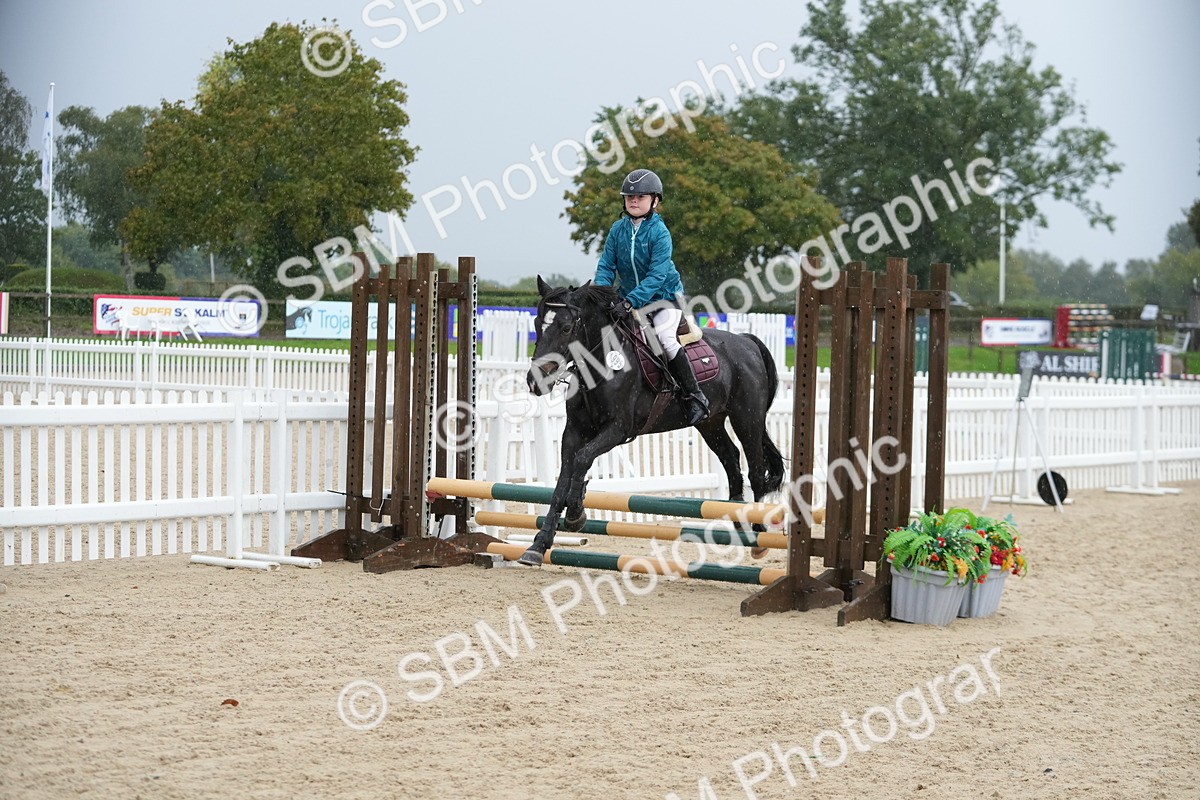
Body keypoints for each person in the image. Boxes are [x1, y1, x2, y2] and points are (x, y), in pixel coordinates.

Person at [594, 168, 710, 425]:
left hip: (664, 298)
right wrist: (600, 294)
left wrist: (630, 301)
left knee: (666, 339)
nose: (633, 201)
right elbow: (605, 267)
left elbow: (657, 276)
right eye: (629, 197)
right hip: (628, 298)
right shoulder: (617, 229)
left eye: (641, 197)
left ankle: (695, 396)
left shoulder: (660, 233)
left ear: (655, 201)